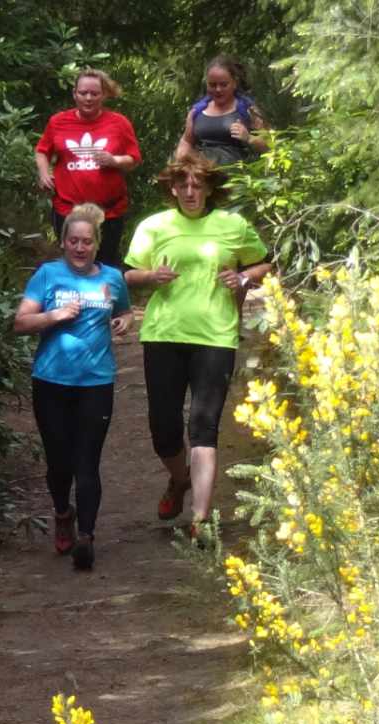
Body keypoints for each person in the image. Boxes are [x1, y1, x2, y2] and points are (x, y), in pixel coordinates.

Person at [123, 154, 272, 542]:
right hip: (163, 333)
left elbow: (263, 265)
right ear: (173, 188)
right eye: (183, 185)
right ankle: (179, 479)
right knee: (164, 428)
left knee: (203, 425)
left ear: (209, 189)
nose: (190, 192)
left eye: (198, 185)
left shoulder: (232, 225)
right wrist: (151, 276)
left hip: (215, 335)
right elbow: (129, 273)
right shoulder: (153, 226)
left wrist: (241, 277)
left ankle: (200, 520)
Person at [14, 203, 132, 569]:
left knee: (87, 461)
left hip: (96, 381)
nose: (80, 248)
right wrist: (55, 316)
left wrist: (124, 322)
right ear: (63, 243)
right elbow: (20, 322)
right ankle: (63, 512)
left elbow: (124, 311)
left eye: (87, 242)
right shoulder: (47, 275)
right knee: (59, 462)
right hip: (51, 380)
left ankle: (86, 536)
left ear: (97, 245)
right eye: (73, 242)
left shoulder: (112, 278)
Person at [35, 69, 142, 268]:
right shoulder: (58, 122)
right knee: (73, 265)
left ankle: (105, 299)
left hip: (108, 211)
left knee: (105, 265)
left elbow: (134, 158)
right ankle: (72, 300)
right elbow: (42, 151)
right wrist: (43, 173)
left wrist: (115, 160)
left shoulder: (119, 123)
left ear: (104, 95)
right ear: (74, 93)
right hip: (68, 209)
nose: (88, 98)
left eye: (94, 93)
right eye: (83, 93)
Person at [175, 54, 269, 166]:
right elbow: (186, 141)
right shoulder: (197, 111)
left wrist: (248, 137)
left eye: (223, 85)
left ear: (234, 83)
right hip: (204, 177)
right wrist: (181, 161)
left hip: (236, 179)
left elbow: (269, 146)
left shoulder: (248, 109)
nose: (218, 89)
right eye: (212, 85)